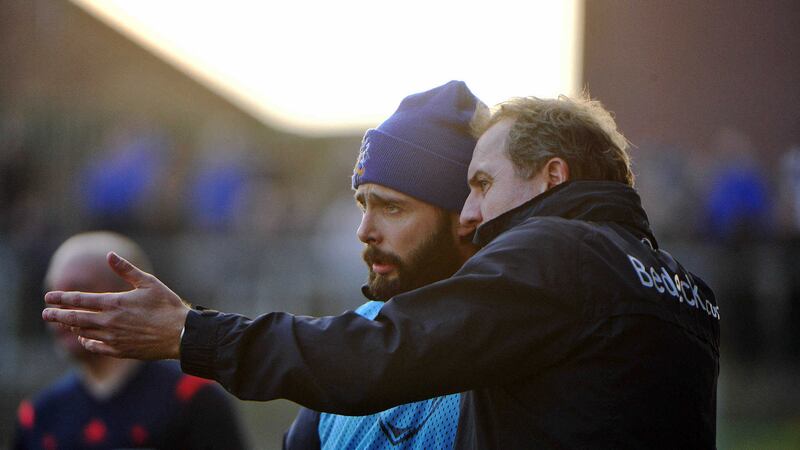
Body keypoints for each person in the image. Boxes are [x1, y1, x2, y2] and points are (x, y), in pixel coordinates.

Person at [43, 93, 720, 448]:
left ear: (553, 176)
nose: (472, 213)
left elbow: (377, 355)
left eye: (482, 183)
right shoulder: (684, 286)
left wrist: (192, 333)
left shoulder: (561, 256)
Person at [283, 81, 483, 448]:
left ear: (463, 215)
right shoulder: (355, 333)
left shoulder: (501, 358)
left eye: (392, 208)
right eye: (364, 205)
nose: (364, 231)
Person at [18, 231, 247, 450]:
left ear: (130, 298)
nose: (60, 311)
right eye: (52, 294)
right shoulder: (39, 415)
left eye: (78, 292)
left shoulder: (191, 399)